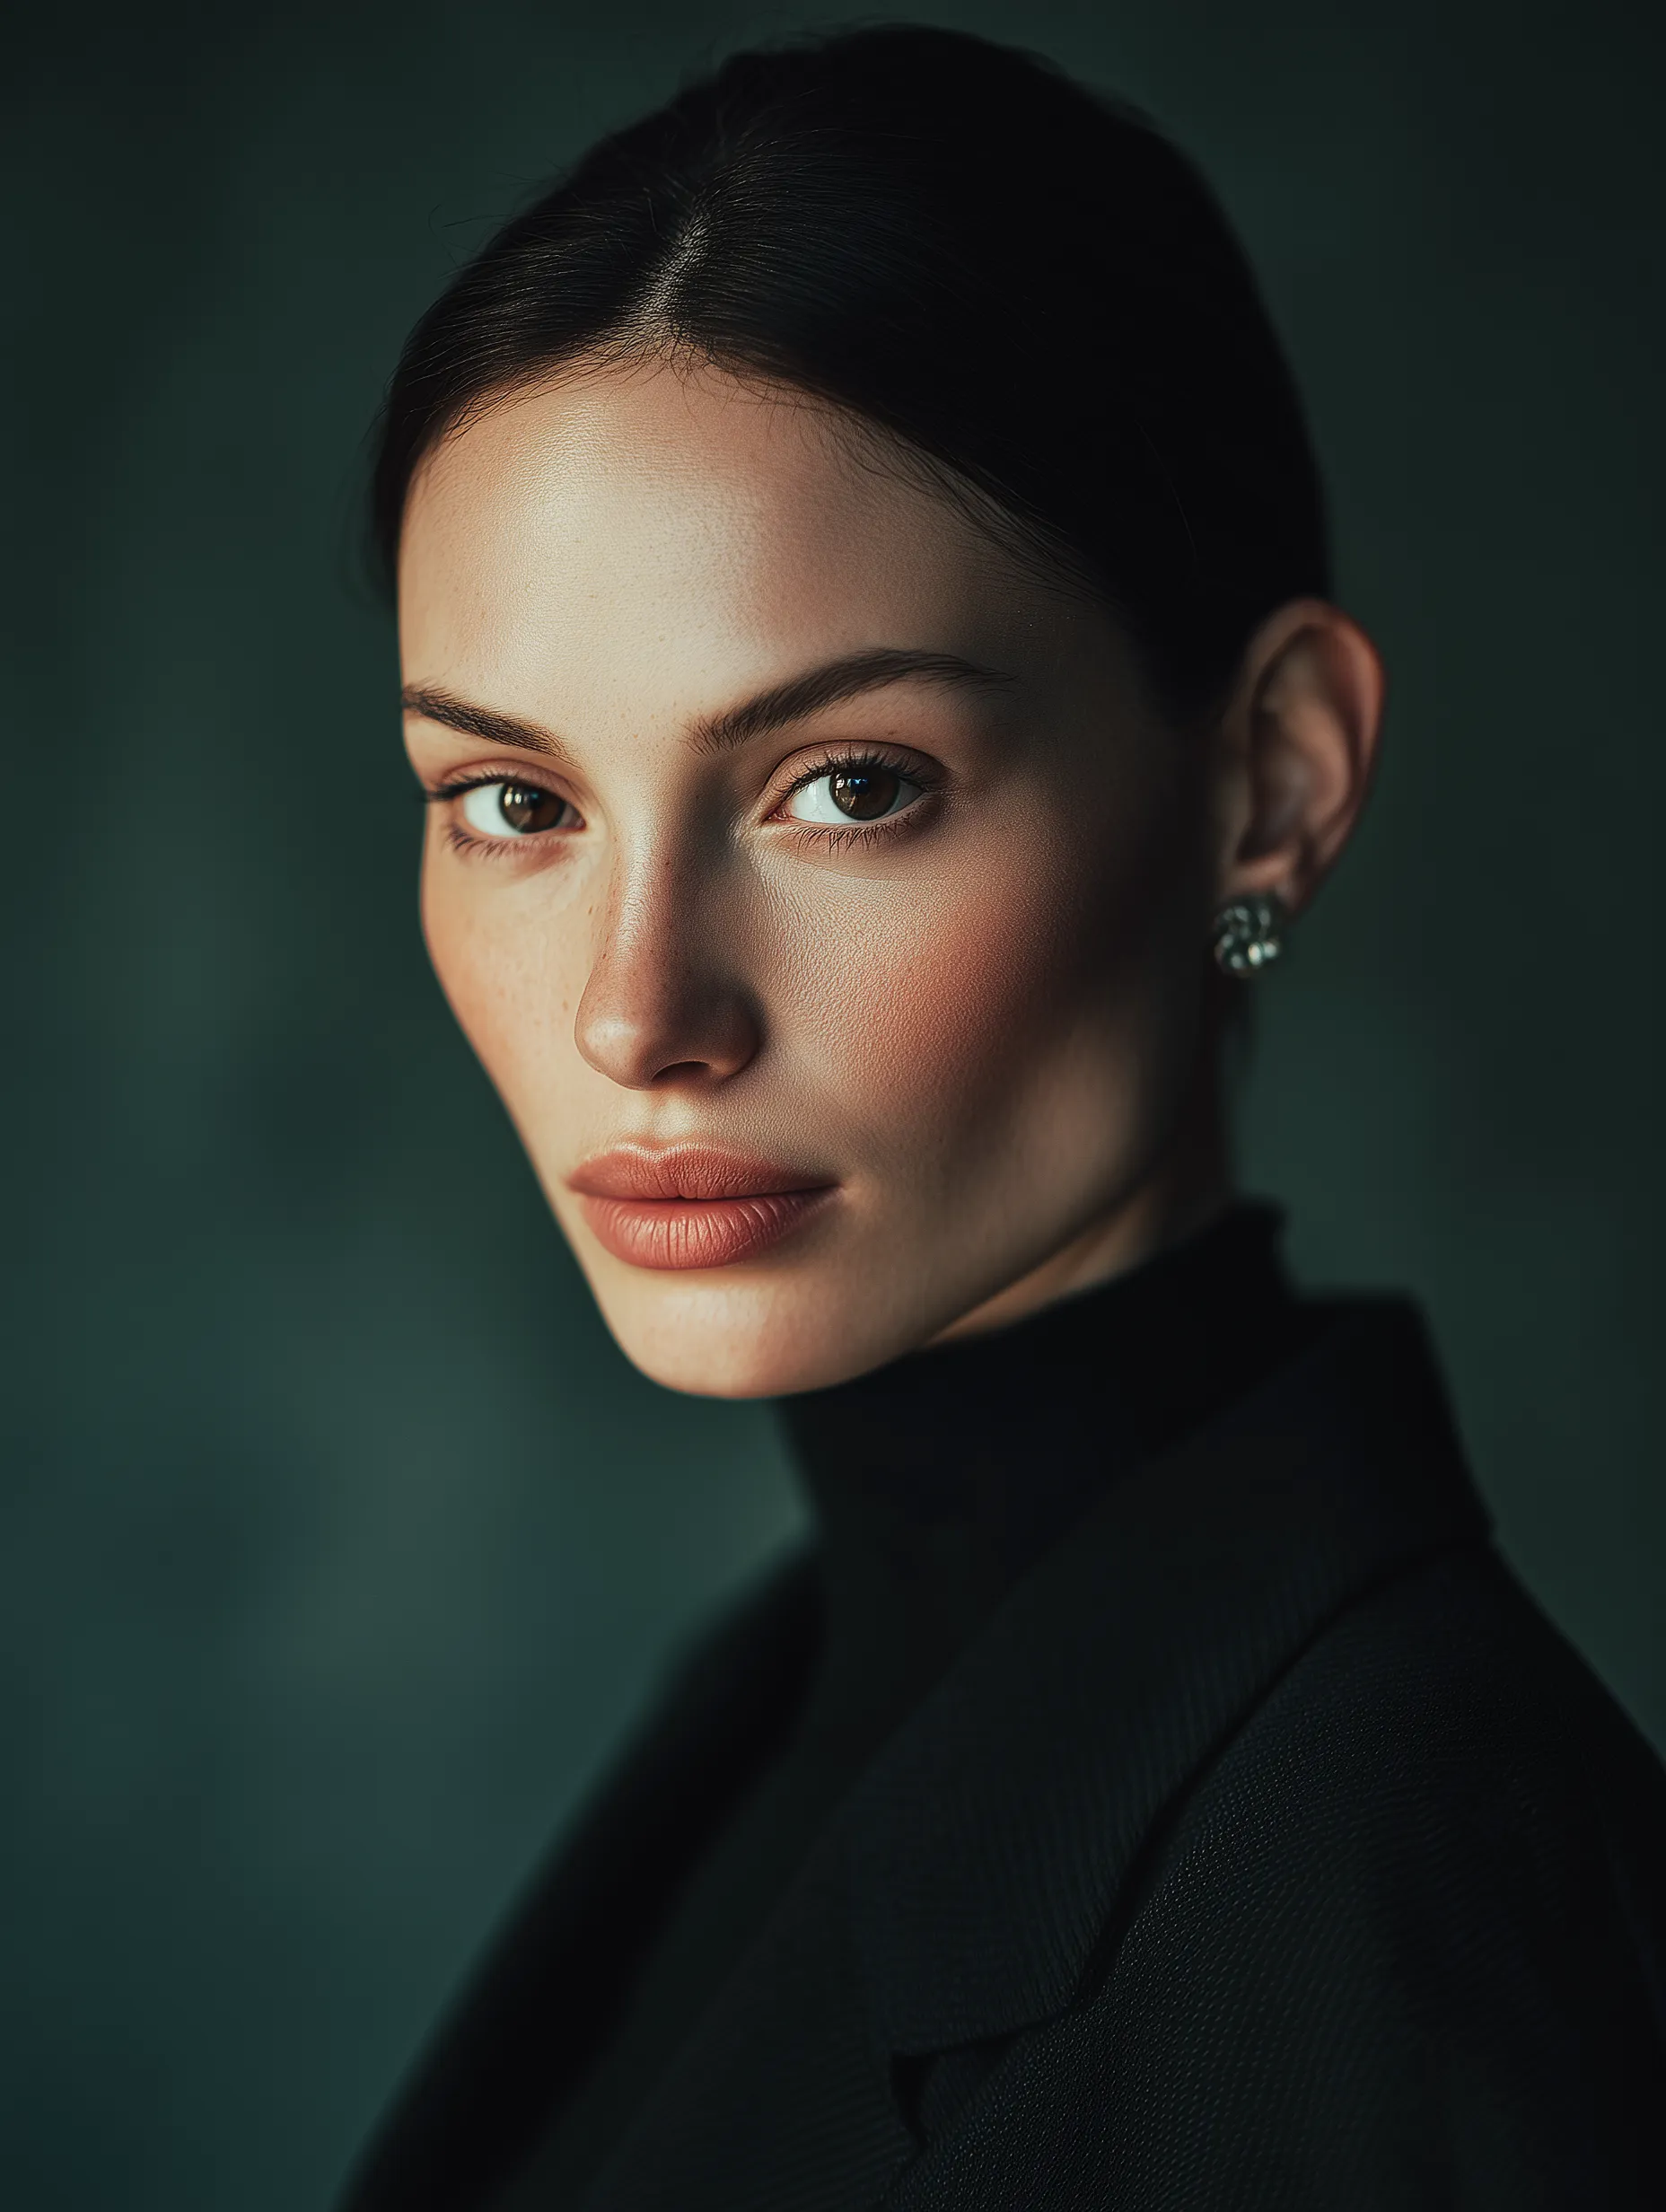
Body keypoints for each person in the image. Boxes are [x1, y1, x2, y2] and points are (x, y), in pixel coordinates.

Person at [337, 23, 1666, 2210]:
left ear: (1272, 778)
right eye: (512, 800)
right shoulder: (800, 1693)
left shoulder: (1384, 1883)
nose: (634, 1007)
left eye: (847, 786)